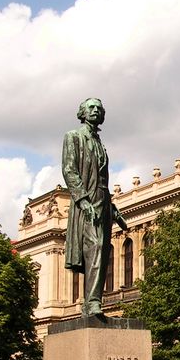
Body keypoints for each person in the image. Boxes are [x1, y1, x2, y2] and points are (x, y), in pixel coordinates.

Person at [62, 97, 128, 317]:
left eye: (99, 108)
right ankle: (92, 303)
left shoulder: (100, 144)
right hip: (86, 202)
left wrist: (113, 208)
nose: (95, 111)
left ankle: (90, 304)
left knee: (101, 251)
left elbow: (104, 180)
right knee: (96, 247)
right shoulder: (73, 137)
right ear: (82, 112)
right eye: (91, 108)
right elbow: (69, 170)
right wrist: (82, 200)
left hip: (102, 201)